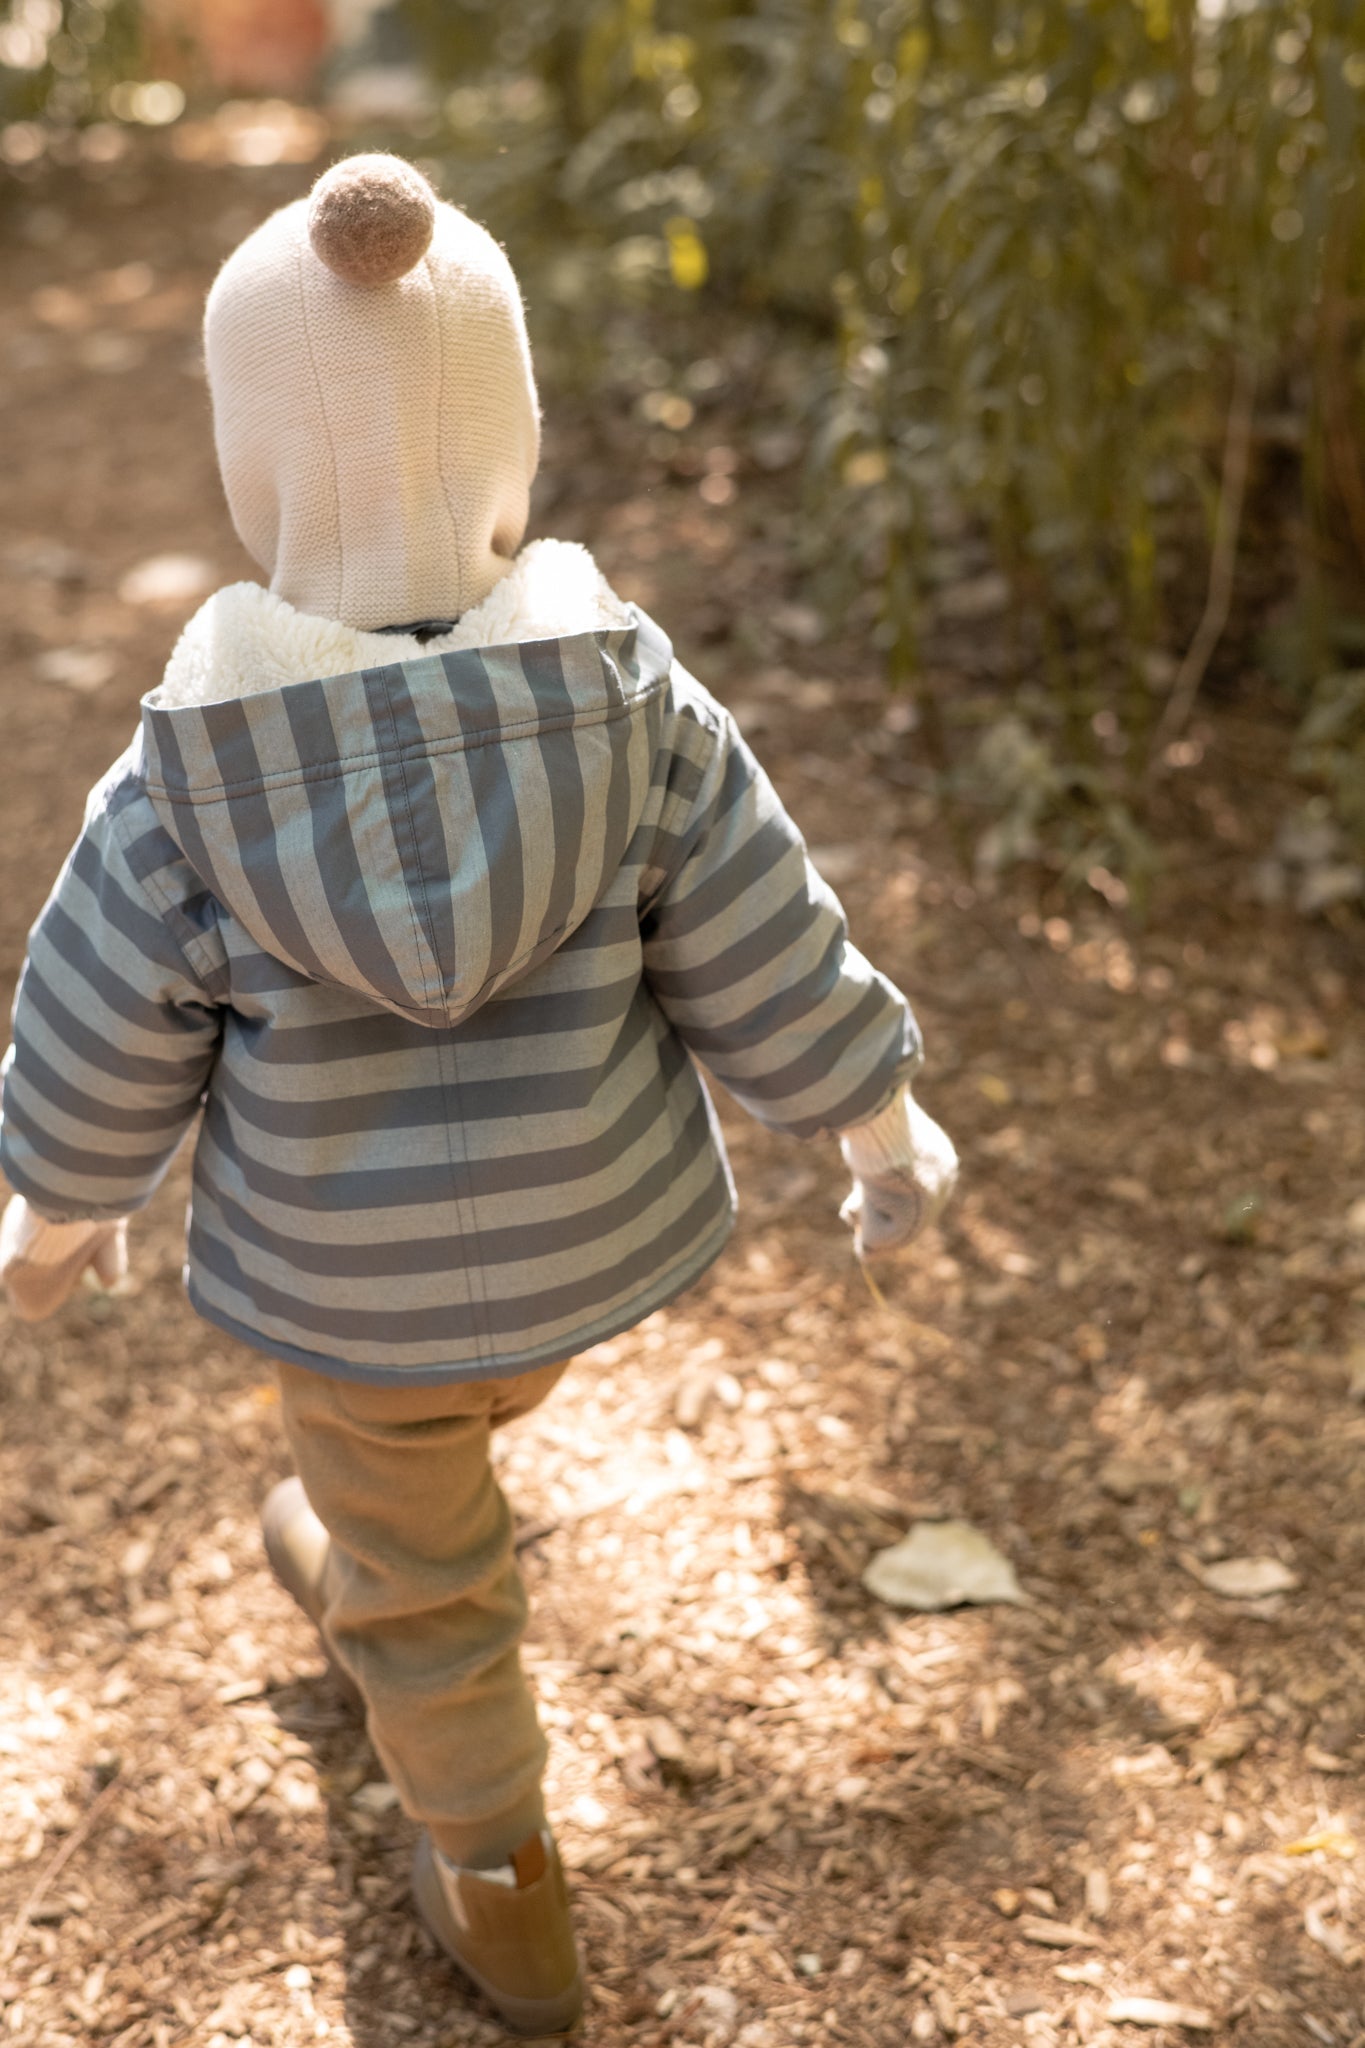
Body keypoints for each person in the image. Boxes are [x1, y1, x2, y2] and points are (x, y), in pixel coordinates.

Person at [0, 154, 957, 2037]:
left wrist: (54, 1203)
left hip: (353, 1306)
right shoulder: (631, 705)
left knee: (428, 1582)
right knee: (429, 1458)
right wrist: (873, 1116)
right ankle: (365, 1529)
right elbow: (765, 932)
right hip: (574, 1252)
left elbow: (101, 1022)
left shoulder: (190, 782)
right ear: (508, 430)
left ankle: (501, 1878)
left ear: (250, 464)